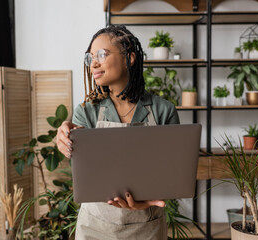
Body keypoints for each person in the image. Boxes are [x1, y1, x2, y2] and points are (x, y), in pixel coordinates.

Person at [57, 25, 180, 240]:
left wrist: (150, 200)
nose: (93, 63)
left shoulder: (163, 111)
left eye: (102, 55)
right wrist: (67, 142)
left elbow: (175, 173)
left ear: (129, 58)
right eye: (90, 57)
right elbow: (83, 175)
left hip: (147, 227)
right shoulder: (86, 112)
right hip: (95, 226)